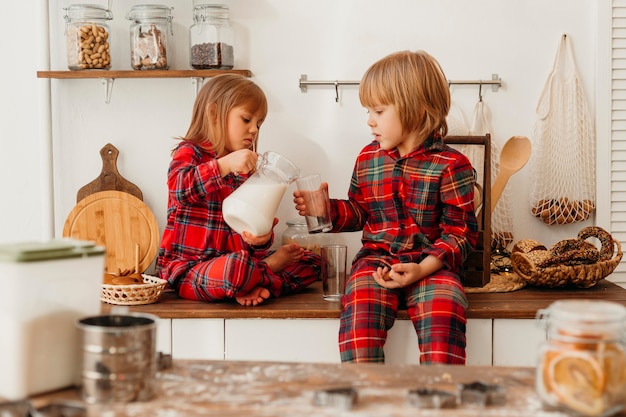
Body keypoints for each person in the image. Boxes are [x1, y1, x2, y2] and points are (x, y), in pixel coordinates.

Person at [293, 51, 478, 363]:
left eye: (378, 110)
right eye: (369, 110)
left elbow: (460, 234)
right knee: (359, 314)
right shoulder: (368, 158)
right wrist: (324, 209)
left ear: (417, 109)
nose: (370, 120)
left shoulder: (452, 164)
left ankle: (441, 401)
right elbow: (360, 210)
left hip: (431, 267)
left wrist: (423, 267)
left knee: (445, 308)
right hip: (376, 262)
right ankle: (367, 398)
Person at [157, 74, 320, 307]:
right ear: (214, 114)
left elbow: (252, 229)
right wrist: (223, 165)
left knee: (313, 261)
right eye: (246, 119)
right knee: (235, 268)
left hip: (238, 261)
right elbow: (180, 189)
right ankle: (263, 274)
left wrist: (261, 239)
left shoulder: (246, 168)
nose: (254, 129)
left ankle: (249, 282)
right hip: (190, 268)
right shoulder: (190, 152)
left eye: (259, 123)